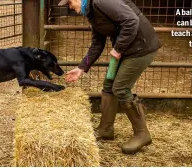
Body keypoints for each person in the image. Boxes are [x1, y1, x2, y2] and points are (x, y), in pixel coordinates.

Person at [59, 0, 162, 154]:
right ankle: (106, 129)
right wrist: (81, 67)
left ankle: (142, 134)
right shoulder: (91, 13)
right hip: (127, 50)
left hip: (142, 48)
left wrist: (118, 48)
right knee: (109, 86)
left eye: (69, 2)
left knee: (120, 88)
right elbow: (97, 43)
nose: (69, 7)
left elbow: (131, 20)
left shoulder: (102, 2)